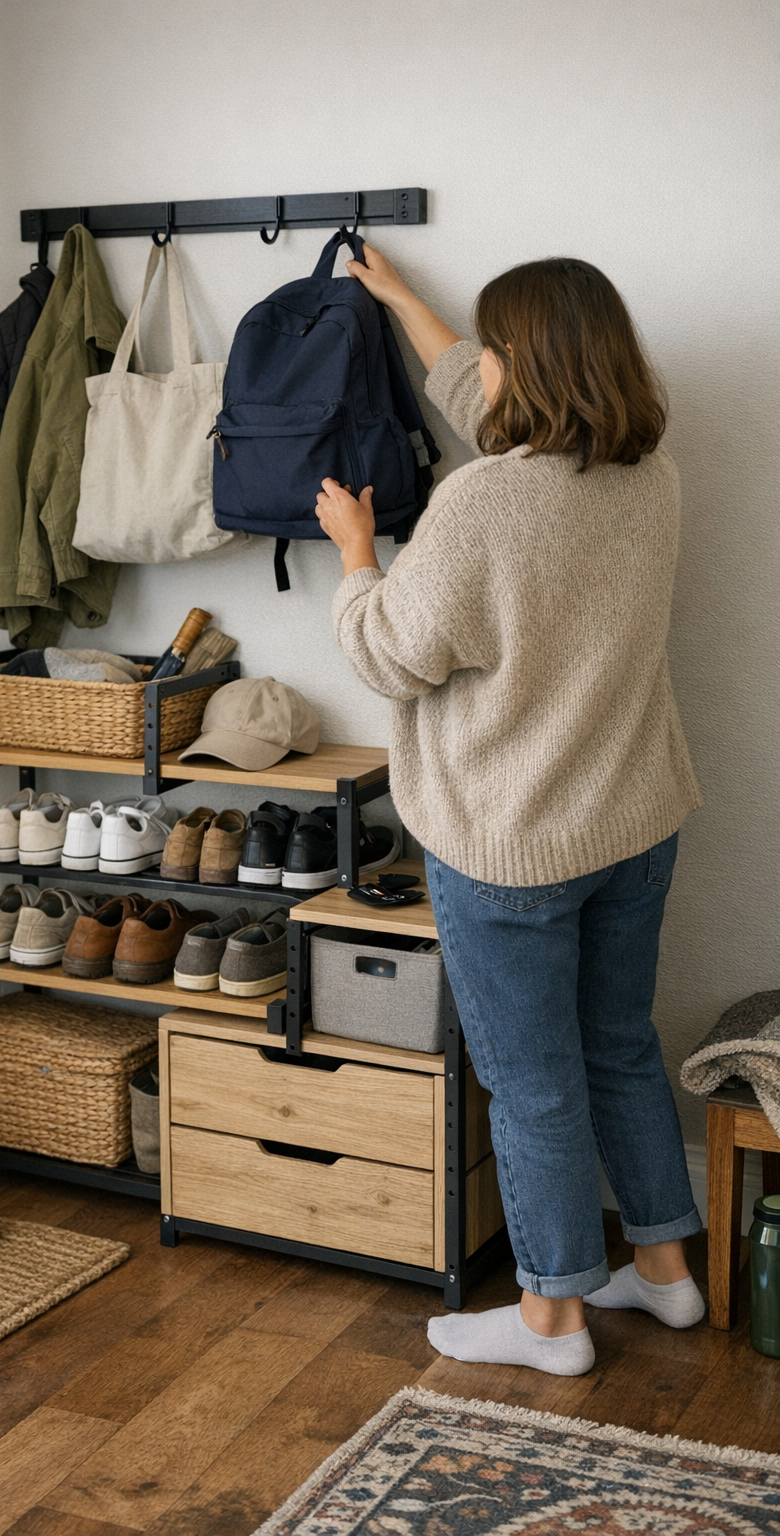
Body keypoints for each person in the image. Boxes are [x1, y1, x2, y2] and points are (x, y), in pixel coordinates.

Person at [315, 247, 704, 1377]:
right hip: (632, 820)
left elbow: (391, 654)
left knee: (532, 1082)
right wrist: (405, 306)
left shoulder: (480, 501)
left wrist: (354, 555)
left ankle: (550, 1322)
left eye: (488, 348)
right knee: (620, 1046)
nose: (472, 366)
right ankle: (666, 1274)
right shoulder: (650, 477)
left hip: (513, 844)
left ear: (521, 363)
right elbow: (468, 394)